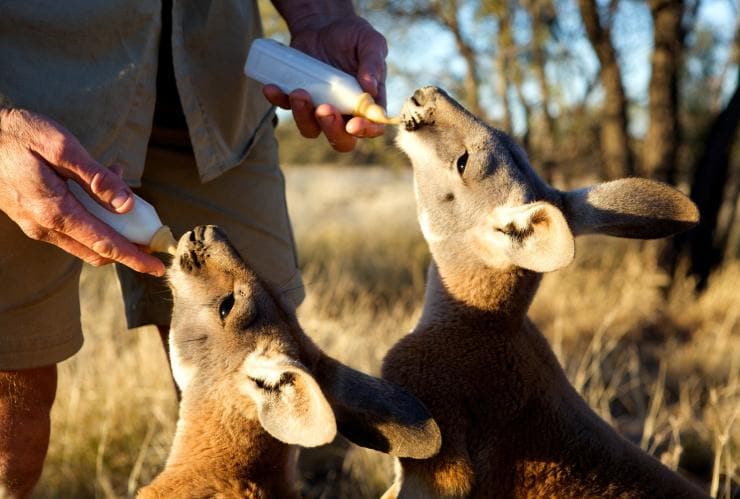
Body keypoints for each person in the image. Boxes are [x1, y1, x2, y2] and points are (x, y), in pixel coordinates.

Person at [0, 1, 388, 496]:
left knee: (263, 363)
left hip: (216, 89)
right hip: (32, 89)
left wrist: (320, 16)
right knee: (12, 414)